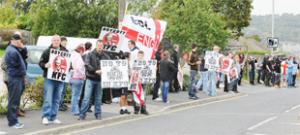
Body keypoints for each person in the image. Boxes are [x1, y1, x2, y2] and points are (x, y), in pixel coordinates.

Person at [39, 35, 68, 125]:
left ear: (60, 41)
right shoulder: (47, 51)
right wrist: (45, 65)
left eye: (57, 40)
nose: (56, 41)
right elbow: (40, 62)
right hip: (49, 78)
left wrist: (69, 68)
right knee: (48, 98)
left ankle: (53, 117)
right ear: (52, 41)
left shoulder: (65, 51)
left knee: (57, 99)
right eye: (54, 40)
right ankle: (45, 117)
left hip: (60, 79)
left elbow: (68, 63)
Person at [79, 40, 110, 120]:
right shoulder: (89, 54)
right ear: (96, 46)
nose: (100, 47)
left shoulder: (106, 56)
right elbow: (87, 65)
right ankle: (82, 114)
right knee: (86, 97)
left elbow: (110, 67)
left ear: (103, 46)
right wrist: (95, 71)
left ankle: (98, 114)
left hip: (100, 80)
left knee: (98, 98)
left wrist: (104, 72)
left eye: (101, 45)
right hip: (90, 78)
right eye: (99, 45)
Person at [4, 34, 27, 128]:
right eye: (19, 41)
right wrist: (21, 73)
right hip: (15, 78)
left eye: (20, 41)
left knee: (15, 100)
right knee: (13, 101)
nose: (20, 42)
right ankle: (13, 122)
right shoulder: (12, 51)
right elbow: (14, 65)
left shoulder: (15, 49)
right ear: (14, 41)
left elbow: (24, 56)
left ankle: (14, 121)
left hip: (18, 77)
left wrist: (23, 48)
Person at [130, 49, 149, 115]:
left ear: (143, 56)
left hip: (143, 81)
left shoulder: (146, 63)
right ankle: (136, 109)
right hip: (135, 81)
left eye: (141, 56)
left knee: (144, 95)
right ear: (137, 55)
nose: (140, 57)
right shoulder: (134, 62)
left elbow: (149, 71)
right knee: (135, 95)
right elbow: (131, 71)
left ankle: (143, 109)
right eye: (139, 55)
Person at [70, 44, 86, 115]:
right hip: (78, 78)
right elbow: (79, 68)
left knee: (74, 95)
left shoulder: (73, 55)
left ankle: (74, 109)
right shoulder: (79, 58)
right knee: (76, 96)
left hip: (72, 77)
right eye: (83, 51)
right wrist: (83, 75)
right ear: (81, 51)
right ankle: (75, 110)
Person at [59, 36, 69, 111]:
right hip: (60, 72)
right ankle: (59, 104)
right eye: (63, 42)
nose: (65, 43)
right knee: (61, 90)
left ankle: (61, 103)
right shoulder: (58, 50)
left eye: (66, 42)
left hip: (66, 72)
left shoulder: (66, 50)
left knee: (63, 90)